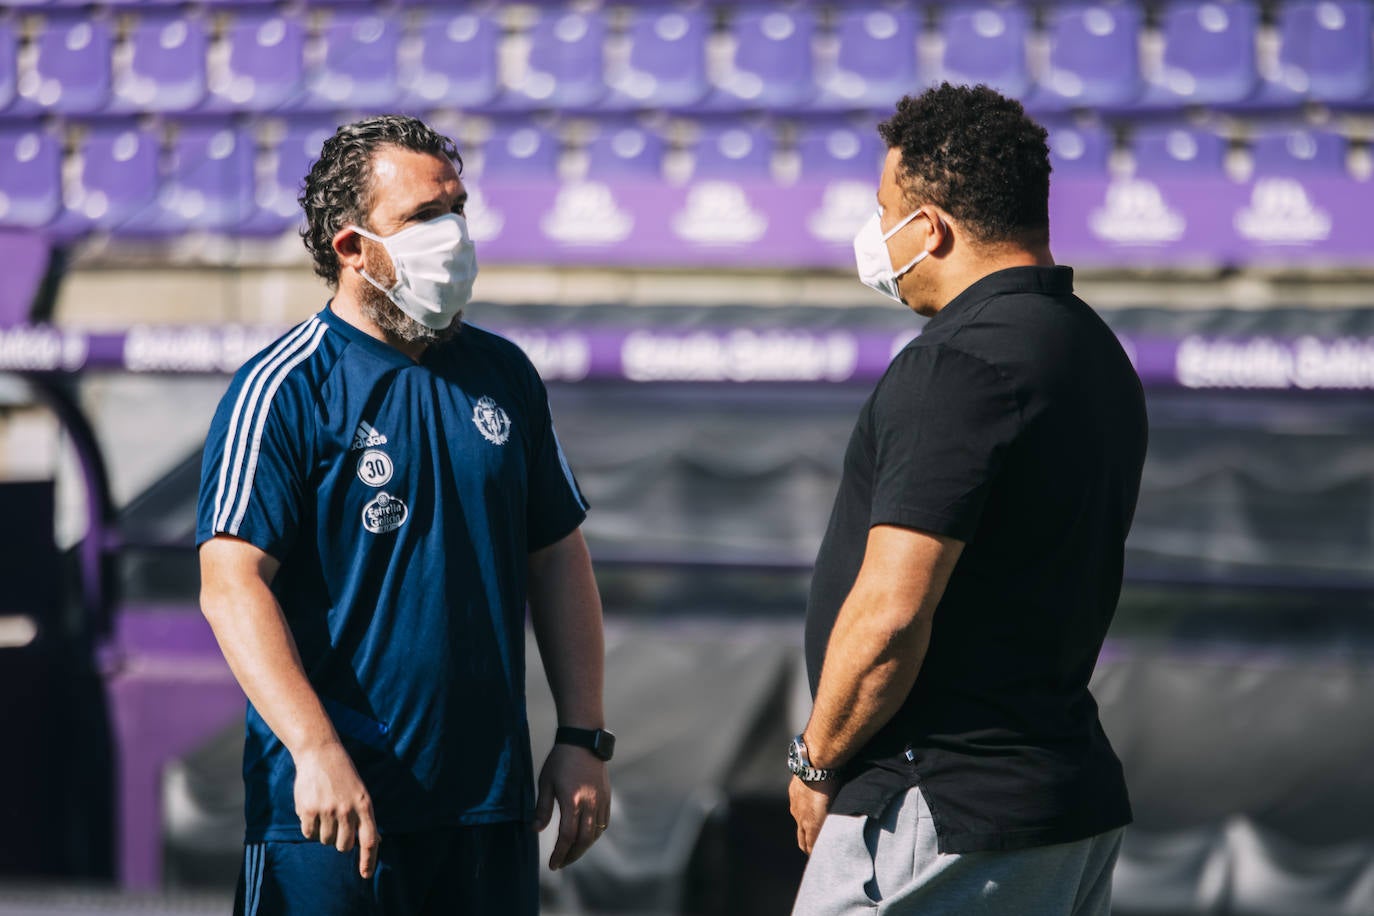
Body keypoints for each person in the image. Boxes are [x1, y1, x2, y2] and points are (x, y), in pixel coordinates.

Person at [196, 115, 614, 916]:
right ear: (353, 248)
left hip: (487, 810)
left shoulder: (503, 372)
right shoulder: (284, 388)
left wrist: (583, 735)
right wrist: (315, 748)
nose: (452, 235)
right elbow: (230, 584)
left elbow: (558, 555)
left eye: (457, 209)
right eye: (424, 217)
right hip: (331, 817)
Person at [789, 84, 1148, 915]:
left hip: (938, 808)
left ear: (930, 228)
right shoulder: (1093, 348)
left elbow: (891, 614)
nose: (875, 232)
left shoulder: (957, 362)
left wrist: (816, 759)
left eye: (885, 212)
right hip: (1058, 800)